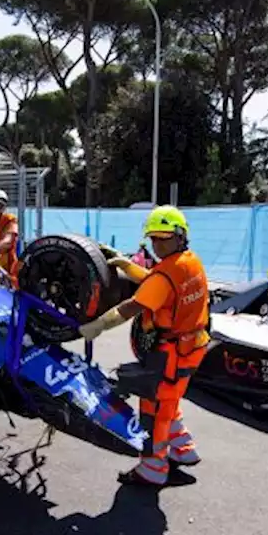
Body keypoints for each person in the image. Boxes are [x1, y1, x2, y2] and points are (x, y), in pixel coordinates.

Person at [78, 206, 210, 486]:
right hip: (192, 347)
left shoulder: (165, 275)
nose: (158, 244)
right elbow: (159, 281)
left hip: (170, 354)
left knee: (154, 411)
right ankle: (184, 450)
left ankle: (152, 470)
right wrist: (126, 265)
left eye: (164, 238)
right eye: (153, 238)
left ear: (180, 236)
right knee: (170, 402)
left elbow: (133, 306)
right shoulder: (190, 262)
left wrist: (99, 324)